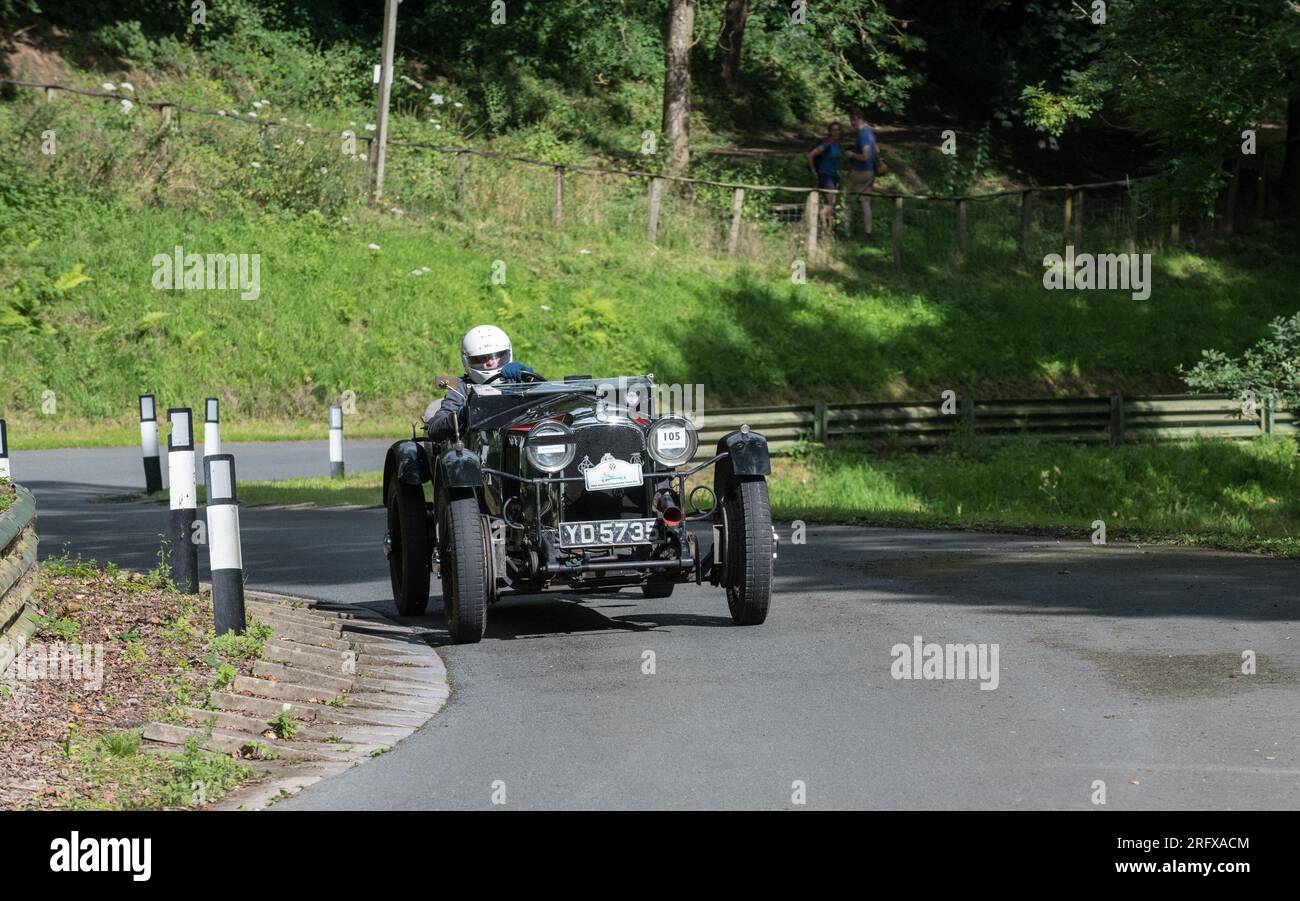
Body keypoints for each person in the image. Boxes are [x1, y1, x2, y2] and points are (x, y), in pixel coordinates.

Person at [423, 324, 538, 442]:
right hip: (476, 451)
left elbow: (551, 406)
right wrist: (463, 414)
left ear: (505, 354)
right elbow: (434, 430)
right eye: (481, 359)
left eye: (495, 356)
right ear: (468, 360)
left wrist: (531, 379)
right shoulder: (460, 387)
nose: (490, 363)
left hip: (521, 448)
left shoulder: (519, 380)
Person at [844, 108, 879, 240]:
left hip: (859, 172)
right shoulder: (870, 132)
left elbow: (865, 156)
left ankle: (846, 231)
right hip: (870, 172)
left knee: (848, 201)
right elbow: (876, 149)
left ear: (858, 118)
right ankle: (868, 233)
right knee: (865, 202)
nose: (851, 124)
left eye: (852, 121)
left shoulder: (863, 134)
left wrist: (851, 154)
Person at [806, 121, 844, 233]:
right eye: (833, 130)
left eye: (838, 130)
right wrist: (814, 171)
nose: (836, 132)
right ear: (830, 132)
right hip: (825, 175)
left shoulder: (838, 144)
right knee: (830, 204)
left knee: (831, 204)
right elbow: (810, 155)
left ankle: (827, 230)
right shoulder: (827, 143)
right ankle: (817, 223)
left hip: (834, 176)